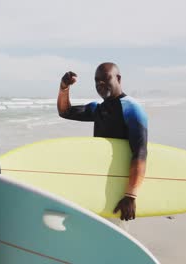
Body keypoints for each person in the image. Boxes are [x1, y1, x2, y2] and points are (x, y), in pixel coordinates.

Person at [56, 62, 148, 223]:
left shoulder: (131, 108)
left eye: (105, 79)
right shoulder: (98, 109)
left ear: (118, 78)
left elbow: (140, 152)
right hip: (98, 183)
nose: (100, 84)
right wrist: (64, 87)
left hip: (120, 188)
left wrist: (130, 196)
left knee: (115, 237)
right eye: (96, 80)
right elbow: (65, 112)